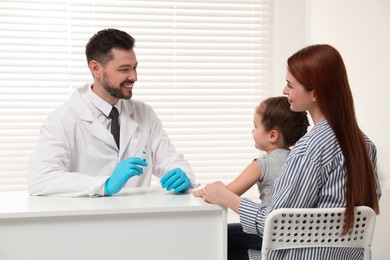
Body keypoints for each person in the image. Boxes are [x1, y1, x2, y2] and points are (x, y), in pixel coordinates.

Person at [198, 44, 382, 260]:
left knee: (212, 242)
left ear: (315, 93)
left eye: (290, 85)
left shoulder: (309, 148)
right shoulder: (365, 144)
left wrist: (227, 197)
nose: (285, 91)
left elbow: (276, 223)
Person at [28, 28, 195, 197]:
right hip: (87, 219)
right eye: (124, 69)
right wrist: (104, 184)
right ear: (96, 68)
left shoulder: (144, 113)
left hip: (138, 218)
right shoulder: (64, 119)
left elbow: (169, 160)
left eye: (134, 68)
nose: (134, 77)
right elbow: (41, 179)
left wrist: (182, 174)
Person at [194, 96, 309, 259]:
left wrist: (199, 192)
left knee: (217, 237)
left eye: (255, 126)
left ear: (272, 136)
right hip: (293, 236)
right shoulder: (299, 160)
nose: (252, 131)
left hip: (268, 234)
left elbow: (227, 193)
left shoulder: (263, 163)